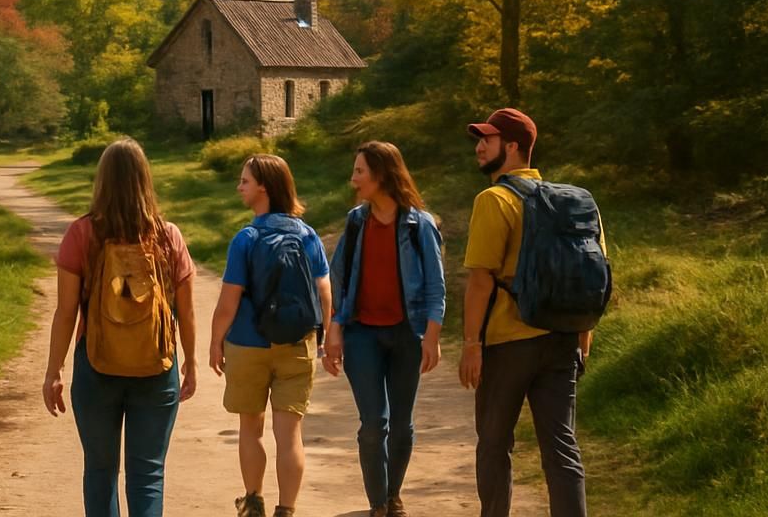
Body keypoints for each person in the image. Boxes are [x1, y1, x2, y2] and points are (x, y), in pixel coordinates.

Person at [43, 138, 199, 517]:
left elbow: (66, 312)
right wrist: (191, 362)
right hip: (156, 367)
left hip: (96, 366)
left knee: (100, 471)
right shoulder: (168, 236)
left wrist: (54, 370)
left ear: (102, 182)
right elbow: (187, 309)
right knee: (147, 475)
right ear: (145, 181)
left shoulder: (81, 234)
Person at [459, 108, 598, 517]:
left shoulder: (494, 199)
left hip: (508, 344)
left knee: (494, 445)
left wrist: (471, 345)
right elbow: (590, 277)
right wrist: (581, 342)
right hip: (562, 340)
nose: (480, 147)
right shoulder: (575, 201)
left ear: (514, 146)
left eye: (488, 139)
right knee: (561, 448)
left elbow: (482, 279)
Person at [322, 141, 446, 517]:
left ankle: (394, 495)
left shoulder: (419, 225)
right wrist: (334, 329)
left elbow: (435, 286)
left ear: (380, 175)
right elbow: (339, 277)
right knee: (374, 422)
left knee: (402, 424)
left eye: (359, 171)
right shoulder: (356, 222)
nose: (353, 179)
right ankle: (378, 504)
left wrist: (433, 338)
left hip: (408, 334)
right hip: (363, 334)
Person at [209, 154, 332, 517]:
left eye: (245, 181)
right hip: (296, 343)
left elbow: (228, 302)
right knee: (290, 434)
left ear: (263, 186)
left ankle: (253, 501)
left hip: (248, 344)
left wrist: (216, 342)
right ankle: (287, 510)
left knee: (251, 427)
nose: (239, 187)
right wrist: (323, 336)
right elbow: (325, 292)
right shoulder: (307, 234)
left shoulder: (246, 238)